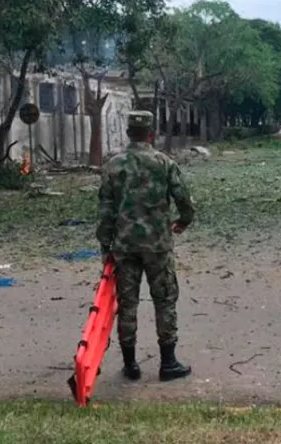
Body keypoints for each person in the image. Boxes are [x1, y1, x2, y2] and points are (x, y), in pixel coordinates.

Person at [96, 110, 195, 382]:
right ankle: (168, 362)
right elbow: (183, 199)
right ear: (151, 134)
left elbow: (105, 211)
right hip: (158, 246)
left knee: (127, 303)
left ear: (128, 133)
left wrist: (106, 245)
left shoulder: (114, 166)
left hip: (125, 246)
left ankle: (131, 365)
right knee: (164, 301)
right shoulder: (164, 163)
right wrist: (183, 221)